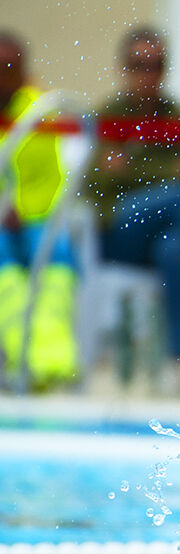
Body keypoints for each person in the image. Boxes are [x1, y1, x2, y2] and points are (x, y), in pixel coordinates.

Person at [83, 27, 180, 392]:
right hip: (120, 235)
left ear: (165, 70)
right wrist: (169, 173)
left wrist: (130, 171)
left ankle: (176, 362)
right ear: (124, 68)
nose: (146, 74)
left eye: (154, 65)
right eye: (138, 65)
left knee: (176, 248)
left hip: (166, 237)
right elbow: (92, 186)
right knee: (178, 196)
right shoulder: (106, 116)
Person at [0, 30, 79, 389]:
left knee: (55, 255)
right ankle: (22, 361)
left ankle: (53, 364)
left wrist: (16, 209)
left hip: (37, 218)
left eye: (10, 67)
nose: (4, 75)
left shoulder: (39, 111)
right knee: (7, 266)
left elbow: (49, 177)